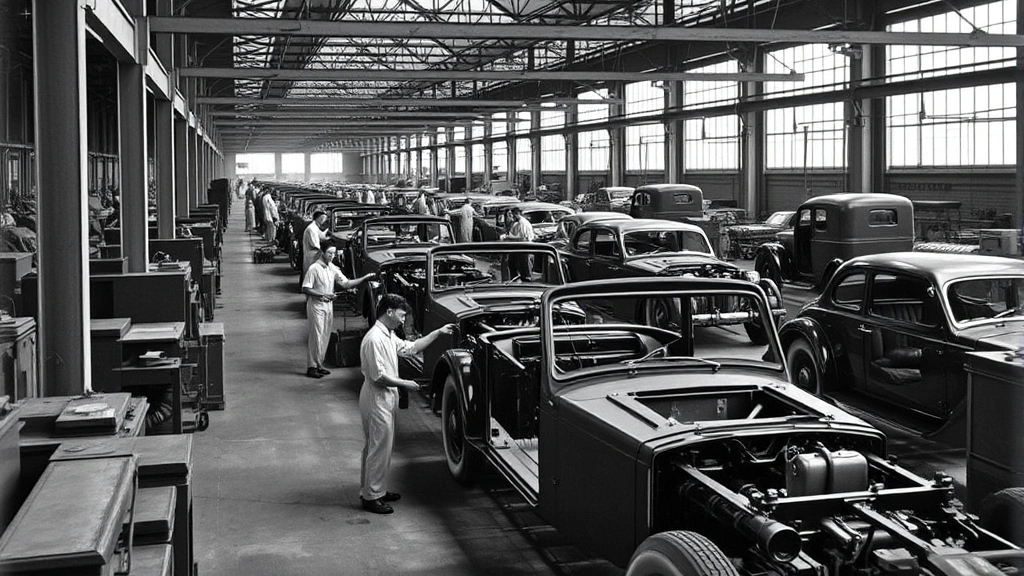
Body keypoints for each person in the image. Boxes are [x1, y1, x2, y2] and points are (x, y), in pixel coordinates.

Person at [358, 293, 454, 514]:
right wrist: (405, 384)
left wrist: (437, 333)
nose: (404, 320)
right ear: (389, 312)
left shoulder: (389, 335)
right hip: (376, 396)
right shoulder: (374, 339)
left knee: (381, 446)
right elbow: (378, 377)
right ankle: (371, 497)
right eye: (401, 315)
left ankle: (375, 489)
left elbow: (412, 347)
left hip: (385, 396)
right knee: (377, 447)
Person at [301, 246, 373, 379]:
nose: (332, 255)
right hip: (316, 306)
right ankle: (311, 367)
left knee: (325, 335)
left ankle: (318, 365)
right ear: (322, 252)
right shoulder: (314, 268)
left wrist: (364, 278)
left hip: (328, 306)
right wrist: (322, 294)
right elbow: (305, 288)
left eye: (334, 253)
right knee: (316, 336)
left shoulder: (331, 268)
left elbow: (346, 283)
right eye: (329, 252)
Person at [500, 206, 535, 280]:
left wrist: (508, 238)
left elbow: (522, 237)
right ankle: (516, 277)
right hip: (518, 245)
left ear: (516, 214)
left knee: (523, 263)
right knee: (512, 262)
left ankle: (526, 277)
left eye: (512, 215)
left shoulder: (523, 223)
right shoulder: (518, 222)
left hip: (523, 245)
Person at [301, 210, 331, 282]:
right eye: (323, 218)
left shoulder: (315, 227)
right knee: (310, 272)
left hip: (313, 253)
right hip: (312, 253)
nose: (324, 221)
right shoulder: (311, 228)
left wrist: (328, 232)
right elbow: (315, 244)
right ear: (318, 218)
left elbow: (321, 236)